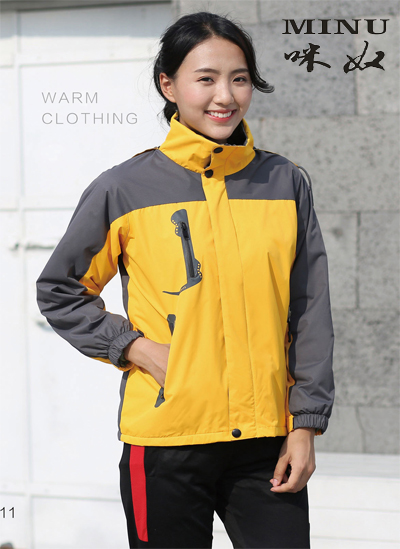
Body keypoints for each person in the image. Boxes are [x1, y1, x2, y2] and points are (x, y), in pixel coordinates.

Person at [36, 11, 335, 549]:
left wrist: (305, 424)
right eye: (206, 79)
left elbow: (309, 305)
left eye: (239, 78)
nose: (225, 96)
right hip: (166, 442)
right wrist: (135, 347)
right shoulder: (123, 188)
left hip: (266, 443)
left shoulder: (284, 181)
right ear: (168, 85)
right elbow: (60, 290)